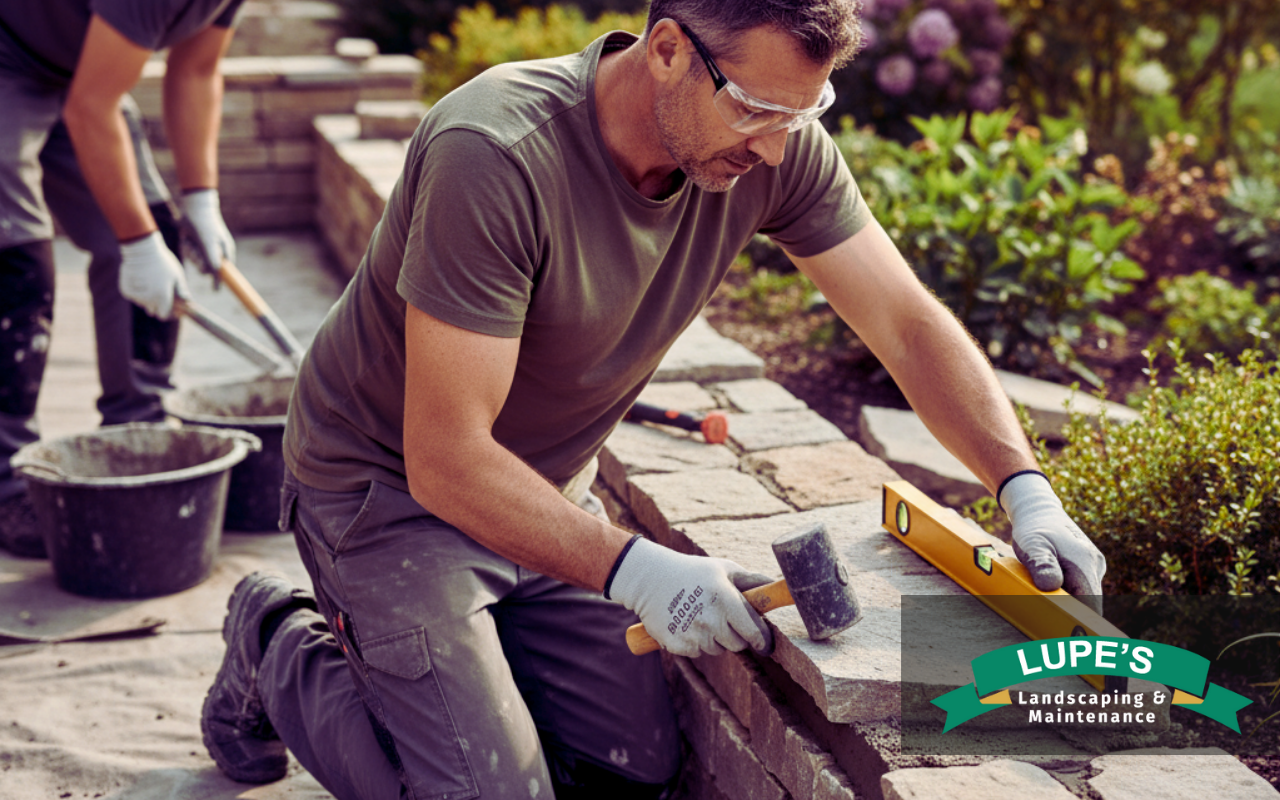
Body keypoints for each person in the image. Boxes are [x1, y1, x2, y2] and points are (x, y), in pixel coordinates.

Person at [201, 1, 1108, 797]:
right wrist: (635, 570)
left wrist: (1023, 486)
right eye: (755, 108)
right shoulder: (495, 152)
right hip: (388, 493)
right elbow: (445, 461)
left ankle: (465, 672)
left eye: (806, 111)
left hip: (542, 487)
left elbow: (906, 325)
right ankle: (275, 639)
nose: (777, 145)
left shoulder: (772, 141)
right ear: (668, 50)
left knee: (631, 769)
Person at [0, 1, 241, 555]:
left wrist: (201, 199)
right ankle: (6, 482)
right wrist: (137, 245)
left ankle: (137, 433)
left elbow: (197, 69)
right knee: (16, 264)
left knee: (153, 226)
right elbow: (92, 108)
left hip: (74, 70)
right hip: (8, 60)